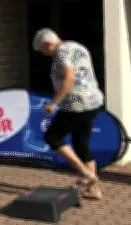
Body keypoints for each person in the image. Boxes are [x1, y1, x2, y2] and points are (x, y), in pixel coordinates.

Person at [33, 28, 103, 199]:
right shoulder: (77, 46)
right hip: (93, 102)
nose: (45, 54)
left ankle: (85, 174)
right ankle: (93, 189)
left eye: (43, 50)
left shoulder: (62, 51)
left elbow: (69, 79)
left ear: (48, 43)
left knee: (52, 137)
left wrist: (53, 103)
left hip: (76, 104)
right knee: (81, 143)